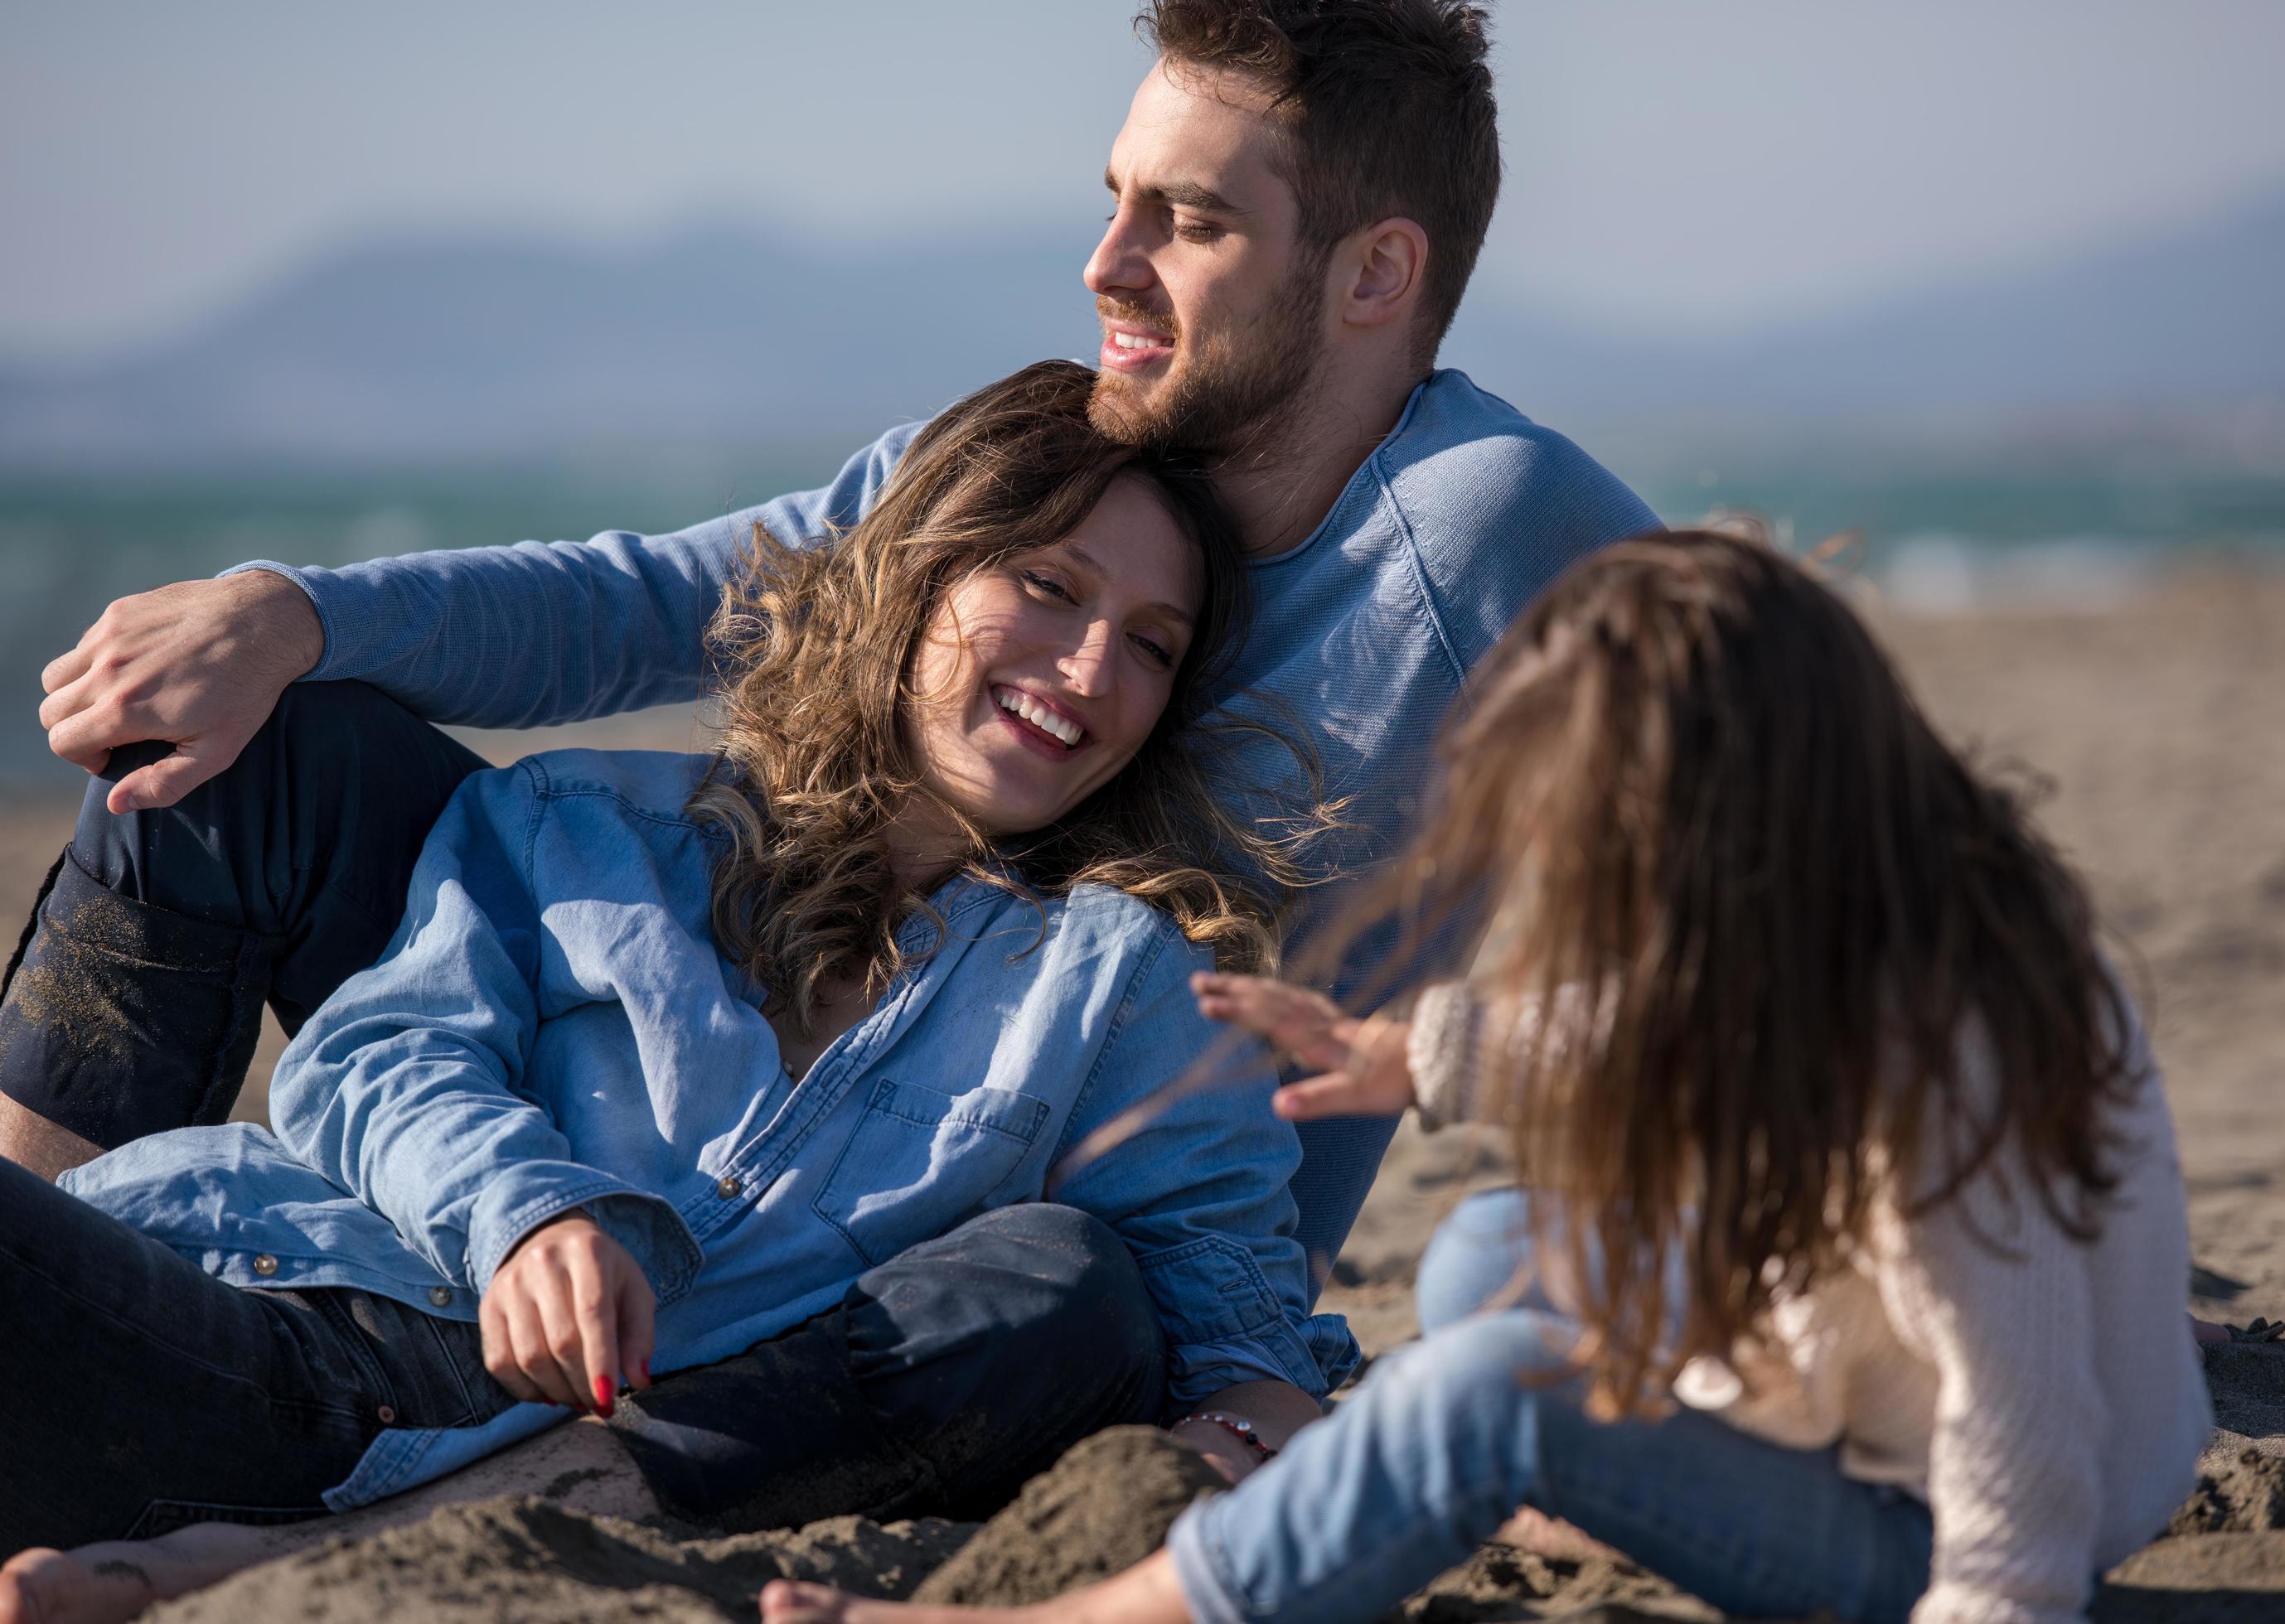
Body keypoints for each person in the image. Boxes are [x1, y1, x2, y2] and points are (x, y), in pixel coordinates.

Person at [1, 2, 1657, 1276]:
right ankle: (42, 1286)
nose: (1105, 265)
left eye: (1190, 223)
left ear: (1374, 273)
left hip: (1022, 1218)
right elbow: (658, 599)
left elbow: (1804, 849)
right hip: (727, 1069)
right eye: (1114, 204)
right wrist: (291, 609)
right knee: (248, 756)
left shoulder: (1487, 521)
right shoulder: (1069, 458)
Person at [0, 363, 1358, 1624]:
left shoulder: (1124, 979)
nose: (1086, 672)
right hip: (309, 1354)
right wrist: (528, 1211)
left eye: (1151, 645)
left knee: (1072, 1285)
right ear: (918, 580)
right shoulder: (587, 820)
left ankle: (301, 1573)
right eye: (1051, 588)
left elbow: (1227, 1312)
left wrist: (1244, 1439)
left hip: (674, 1470)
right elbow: (375, 1054)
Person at [755, 530, 2214, 1624]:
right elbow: (1682, 1030)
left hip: (1957, 1528)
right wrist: (1423, 1057)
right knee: (1490, 1261)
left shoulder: (1947, 1060)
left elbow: (2019, 1451)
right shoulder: (1880, 887)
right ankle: (1618, 1503)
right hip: (1862, 1401)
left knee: (1491, 1391)